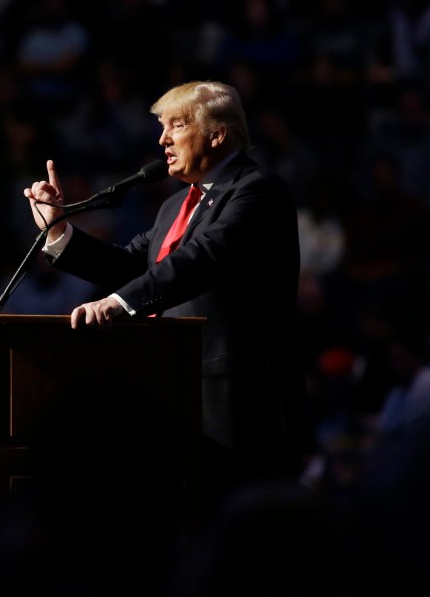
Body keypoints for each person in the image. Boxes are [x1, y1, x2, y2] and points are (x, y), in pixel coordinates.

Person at [23, 80, 312, 521]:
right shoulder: (175, 205)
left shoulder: (256, 190)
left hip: (237, 404)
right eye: (162, 127)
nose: (162, 140)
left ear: (218, 134)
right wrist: (60, 231)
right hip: (171, 394)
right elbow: (132, 268)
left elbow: (201, 259)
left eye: (177, 125)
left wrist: (117, 305)